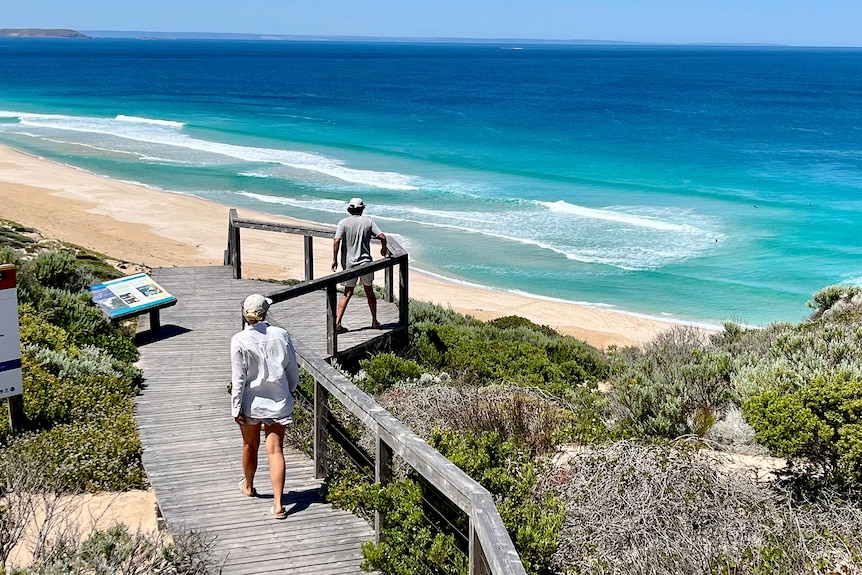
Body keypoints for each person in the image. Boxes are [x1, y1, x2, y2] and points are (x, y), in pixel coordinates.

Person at [230, 293, 299, 519]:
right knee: (275, 450)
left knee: (250, 445)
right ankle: (278, 504)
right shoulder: (281, 335)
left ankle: (249, 486)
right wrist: (290, 390)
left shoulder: (239, 339)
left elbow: (238, 379)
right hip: (278, 401)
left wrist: (235, 407)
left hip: (251, 403)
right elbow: (292, 370)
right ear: (265, 312)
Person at [331, 197, 388, 333]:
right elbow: (383, 237)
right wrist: (384, 249)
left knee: (347, 293)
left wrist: (334, 259)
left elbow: (336, 240)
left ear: (350, 209)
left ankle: (337, 323)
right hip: (366, 263)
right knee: (369, 292)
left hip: (349, 264)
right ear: (362, 209)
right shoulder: (368, 222)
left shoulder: (343, 223)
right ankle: (374, 321)